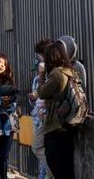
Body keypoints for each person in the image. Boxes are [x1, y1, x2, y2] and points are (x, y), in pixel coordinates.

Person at [38, 42, 77, 179]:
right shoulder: (70, 71)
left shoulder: (56, 74)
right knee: (67, 170)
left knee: (58, 169)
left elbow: (42, 92)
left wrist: (41, 75)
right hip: (68, 125)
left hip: (55, 127)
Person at [0, 54, 18, 179]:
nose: (2, 65)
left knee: (4, 155)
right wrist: (0, 100)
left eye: (4, 64)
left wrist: (7, 101)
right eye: (0, 62)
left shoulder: (9, 80)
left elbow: (14, 99)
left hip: (8, 123)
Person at [29, 39, 54, 179]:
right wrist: (33, 99)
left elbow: (47, 95)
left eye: (40, 55)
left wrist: (42, 76)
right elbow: (38, 97)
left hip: (50, 119)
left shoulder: (53, 73)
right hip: (39, 119)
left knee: (40, 147)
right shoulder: (38, 77)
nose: (39, 58)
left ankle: (51, 173)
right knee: (40, 150)